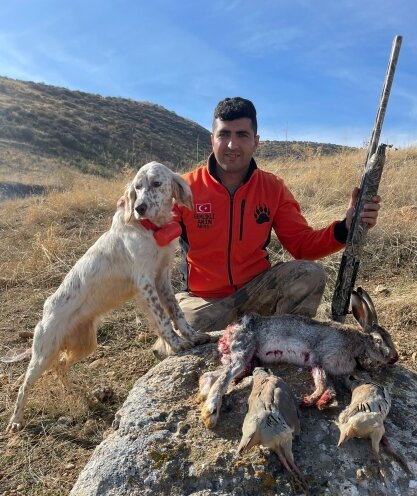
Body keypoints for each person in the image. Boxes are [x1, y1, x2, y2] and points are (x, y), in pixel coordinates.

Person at [154, 97, 381, 356]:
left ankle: (282, 352)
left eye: (242, 135)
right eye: (224, 134)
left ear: (256, 141)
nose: (232, 144)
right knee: (175, 341)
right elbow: (155, 234)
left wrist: (345, 227)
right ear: (212, 139)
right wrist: (135, 211)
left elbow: (302, 245)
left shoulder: (272, 188)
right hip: (203, 301)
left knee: (309, 274)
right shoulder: (183, 188)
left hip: (257, 296)